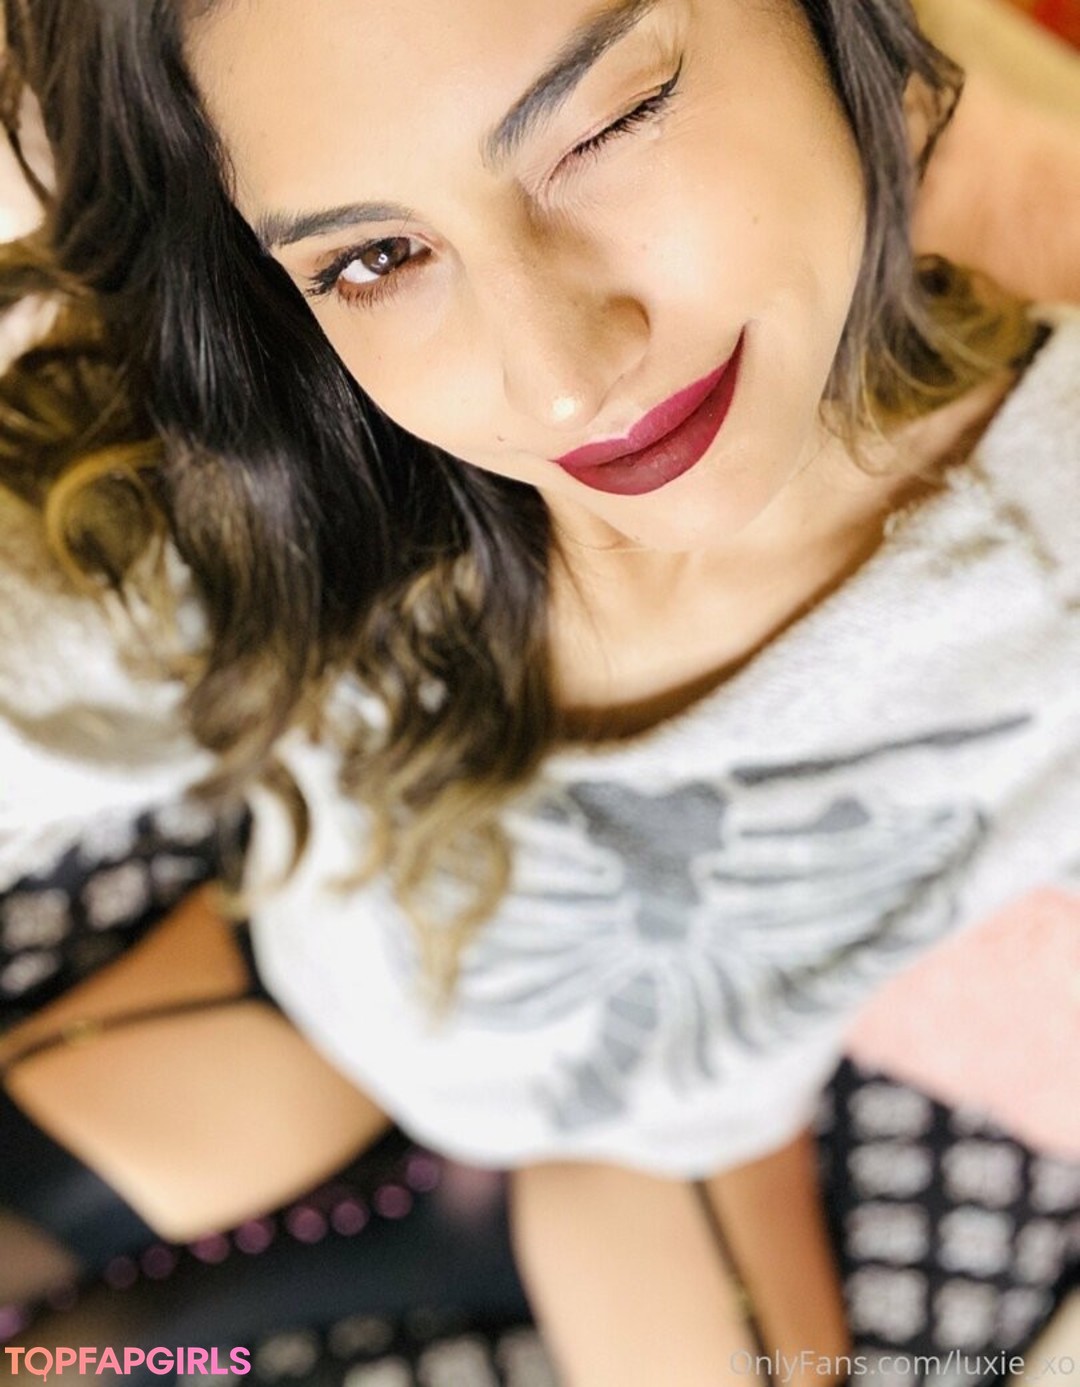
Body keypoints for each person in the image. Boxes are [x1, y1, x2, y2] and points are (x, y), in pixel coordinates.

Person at [1, 2, 1078, 1385]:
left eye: (609, 125)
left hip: (664, 1146)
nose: (566, 385)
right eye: (375, 256)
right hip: (311, 1007)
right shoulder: (300, 492)